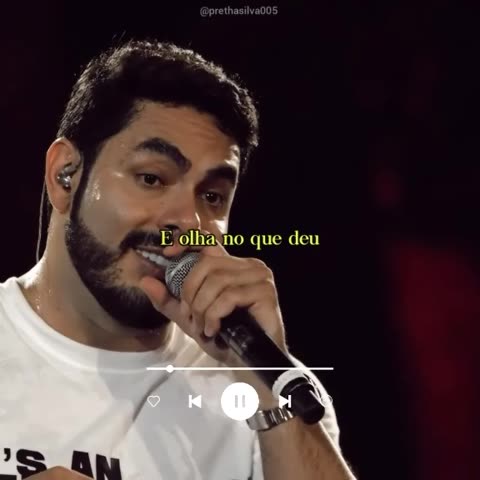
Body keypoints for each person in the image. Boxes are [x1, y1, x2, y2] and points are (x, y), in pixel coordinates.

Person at [0, 40, 355, 479]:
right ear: (65, 176)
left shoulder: (270, 385)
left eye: (212, 196)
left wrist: (263, 379)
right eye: (152, 178)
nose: (188, 222)